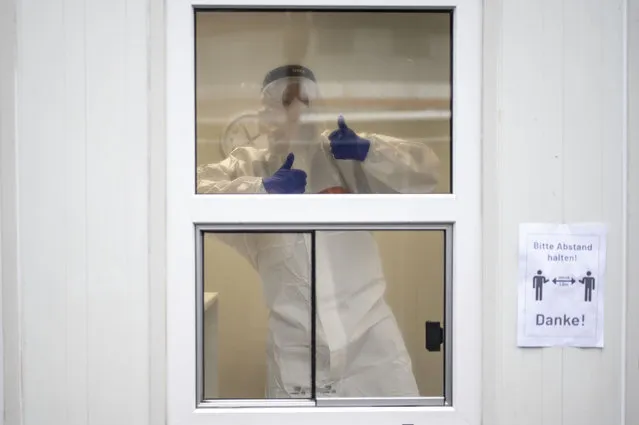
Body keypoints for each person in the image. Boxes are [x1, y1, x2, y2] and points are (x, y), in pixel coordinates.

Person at [197, 65, 441, 398]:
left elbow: (426, 172)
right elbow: (189, 192)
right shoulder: (250, 167)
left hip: (370, 345)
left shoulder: (345, 160)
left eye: (303, 104)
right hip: (295, 351)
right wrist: (258, 190)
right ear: (265, 112)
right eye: (281, 105)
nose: (296, 115)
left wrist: (370, 150)